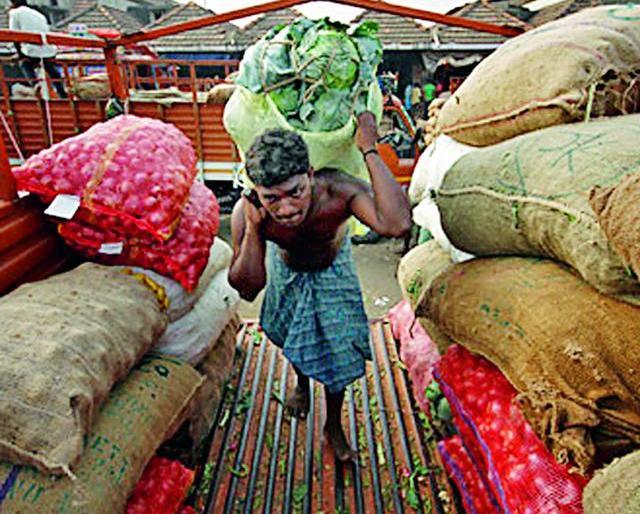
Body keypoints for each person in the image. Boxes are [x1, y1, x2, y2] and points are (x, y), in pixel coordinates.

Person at [228, 112, 411, 461]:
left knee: (337, 351)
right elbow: (247, 289)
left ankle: (333, 424)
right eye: (272, 198)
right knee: (292, 336)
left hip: (332, 270)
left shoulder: (338, 191)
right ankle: (301, 384)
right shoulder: (249, 213)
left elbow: (397, 223)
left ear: (310, 175)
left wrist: (369, 149)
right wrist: (254, 229)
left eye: (295, 192)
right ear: (257, 192)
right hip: (286, 271)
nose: (286, 208)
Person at [9, 0, 67, 98]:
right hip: (49, 49)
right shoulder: (37, 13)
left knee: (25, 63)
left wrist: (20, 54)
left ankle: (35, 84)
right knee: (49, 67)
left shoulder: (15, 13)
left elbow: (14, 35)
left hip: (32, 49)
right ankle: (62, 90)